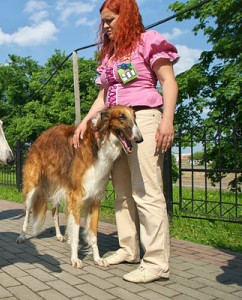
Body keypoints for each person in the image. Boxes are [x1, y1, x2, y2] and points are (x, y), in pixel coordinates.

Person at [72, 0, 179, 283]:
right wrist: (85, 121)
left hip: (142, 118)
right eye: (103, 21)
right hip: (113, 128)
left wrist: (167, 120)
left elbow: (168, 82)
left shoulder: (148, 41)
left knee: (146, 191)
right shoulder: (110, 56)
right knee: (121, 192)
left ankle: (156, 262)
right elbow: (103, 97)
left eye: (111, 20)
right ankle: (128, 248)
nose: (105, 26)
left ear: (127, 16)